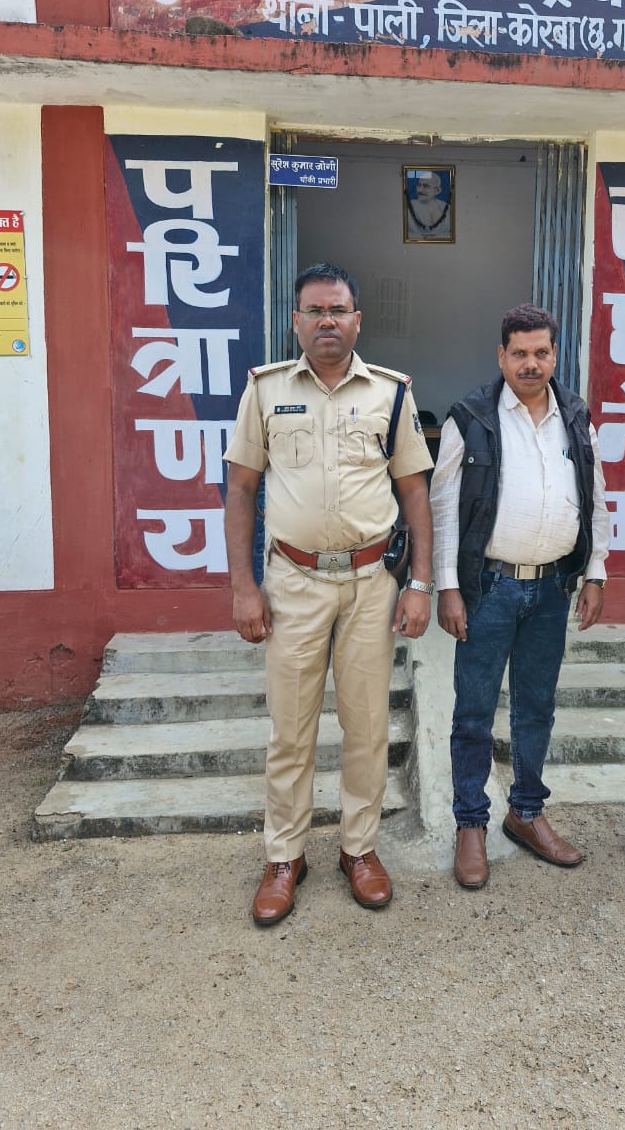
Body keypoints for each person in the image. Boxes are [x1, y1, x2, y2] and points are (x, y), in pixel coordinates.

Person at [224, 262, 434, 926]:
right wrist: (243, 587)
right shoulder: (265, 390)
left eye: (337, 310)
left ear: (357, 320)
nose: (326, 322)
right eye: (314, 311)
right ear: (296, 321)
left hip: (372, 583)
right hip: (293, 581)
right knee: (291, 729)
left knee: (366, 727)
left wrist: (419, 583)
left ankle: (358, 848)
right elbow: (241, 490)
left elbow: (415, 493)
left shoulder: (391, 394)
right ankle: (284, 856)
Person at [430, 303, 610, 888]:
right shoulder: (470, 417)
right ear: (501, 356)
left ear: (555, 355)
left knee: (537, 708)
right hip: (489, 589)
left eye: (541, 353)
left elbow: (595, 497)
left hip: (553, 588)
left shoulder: (575, 415)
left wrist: (596, 573)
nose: (531, 364)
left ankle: (527, 813)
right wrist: (448, 588)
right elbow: (443, 508)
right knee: (474, 713)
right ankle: (470, 824)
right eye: (520, 353)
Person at [405, 170, 451, 239]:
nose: (420, 190)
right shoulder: (409, 207)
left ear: (437, 191)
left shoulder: (447, 207)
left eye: (425, 186)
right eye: (419, 185)